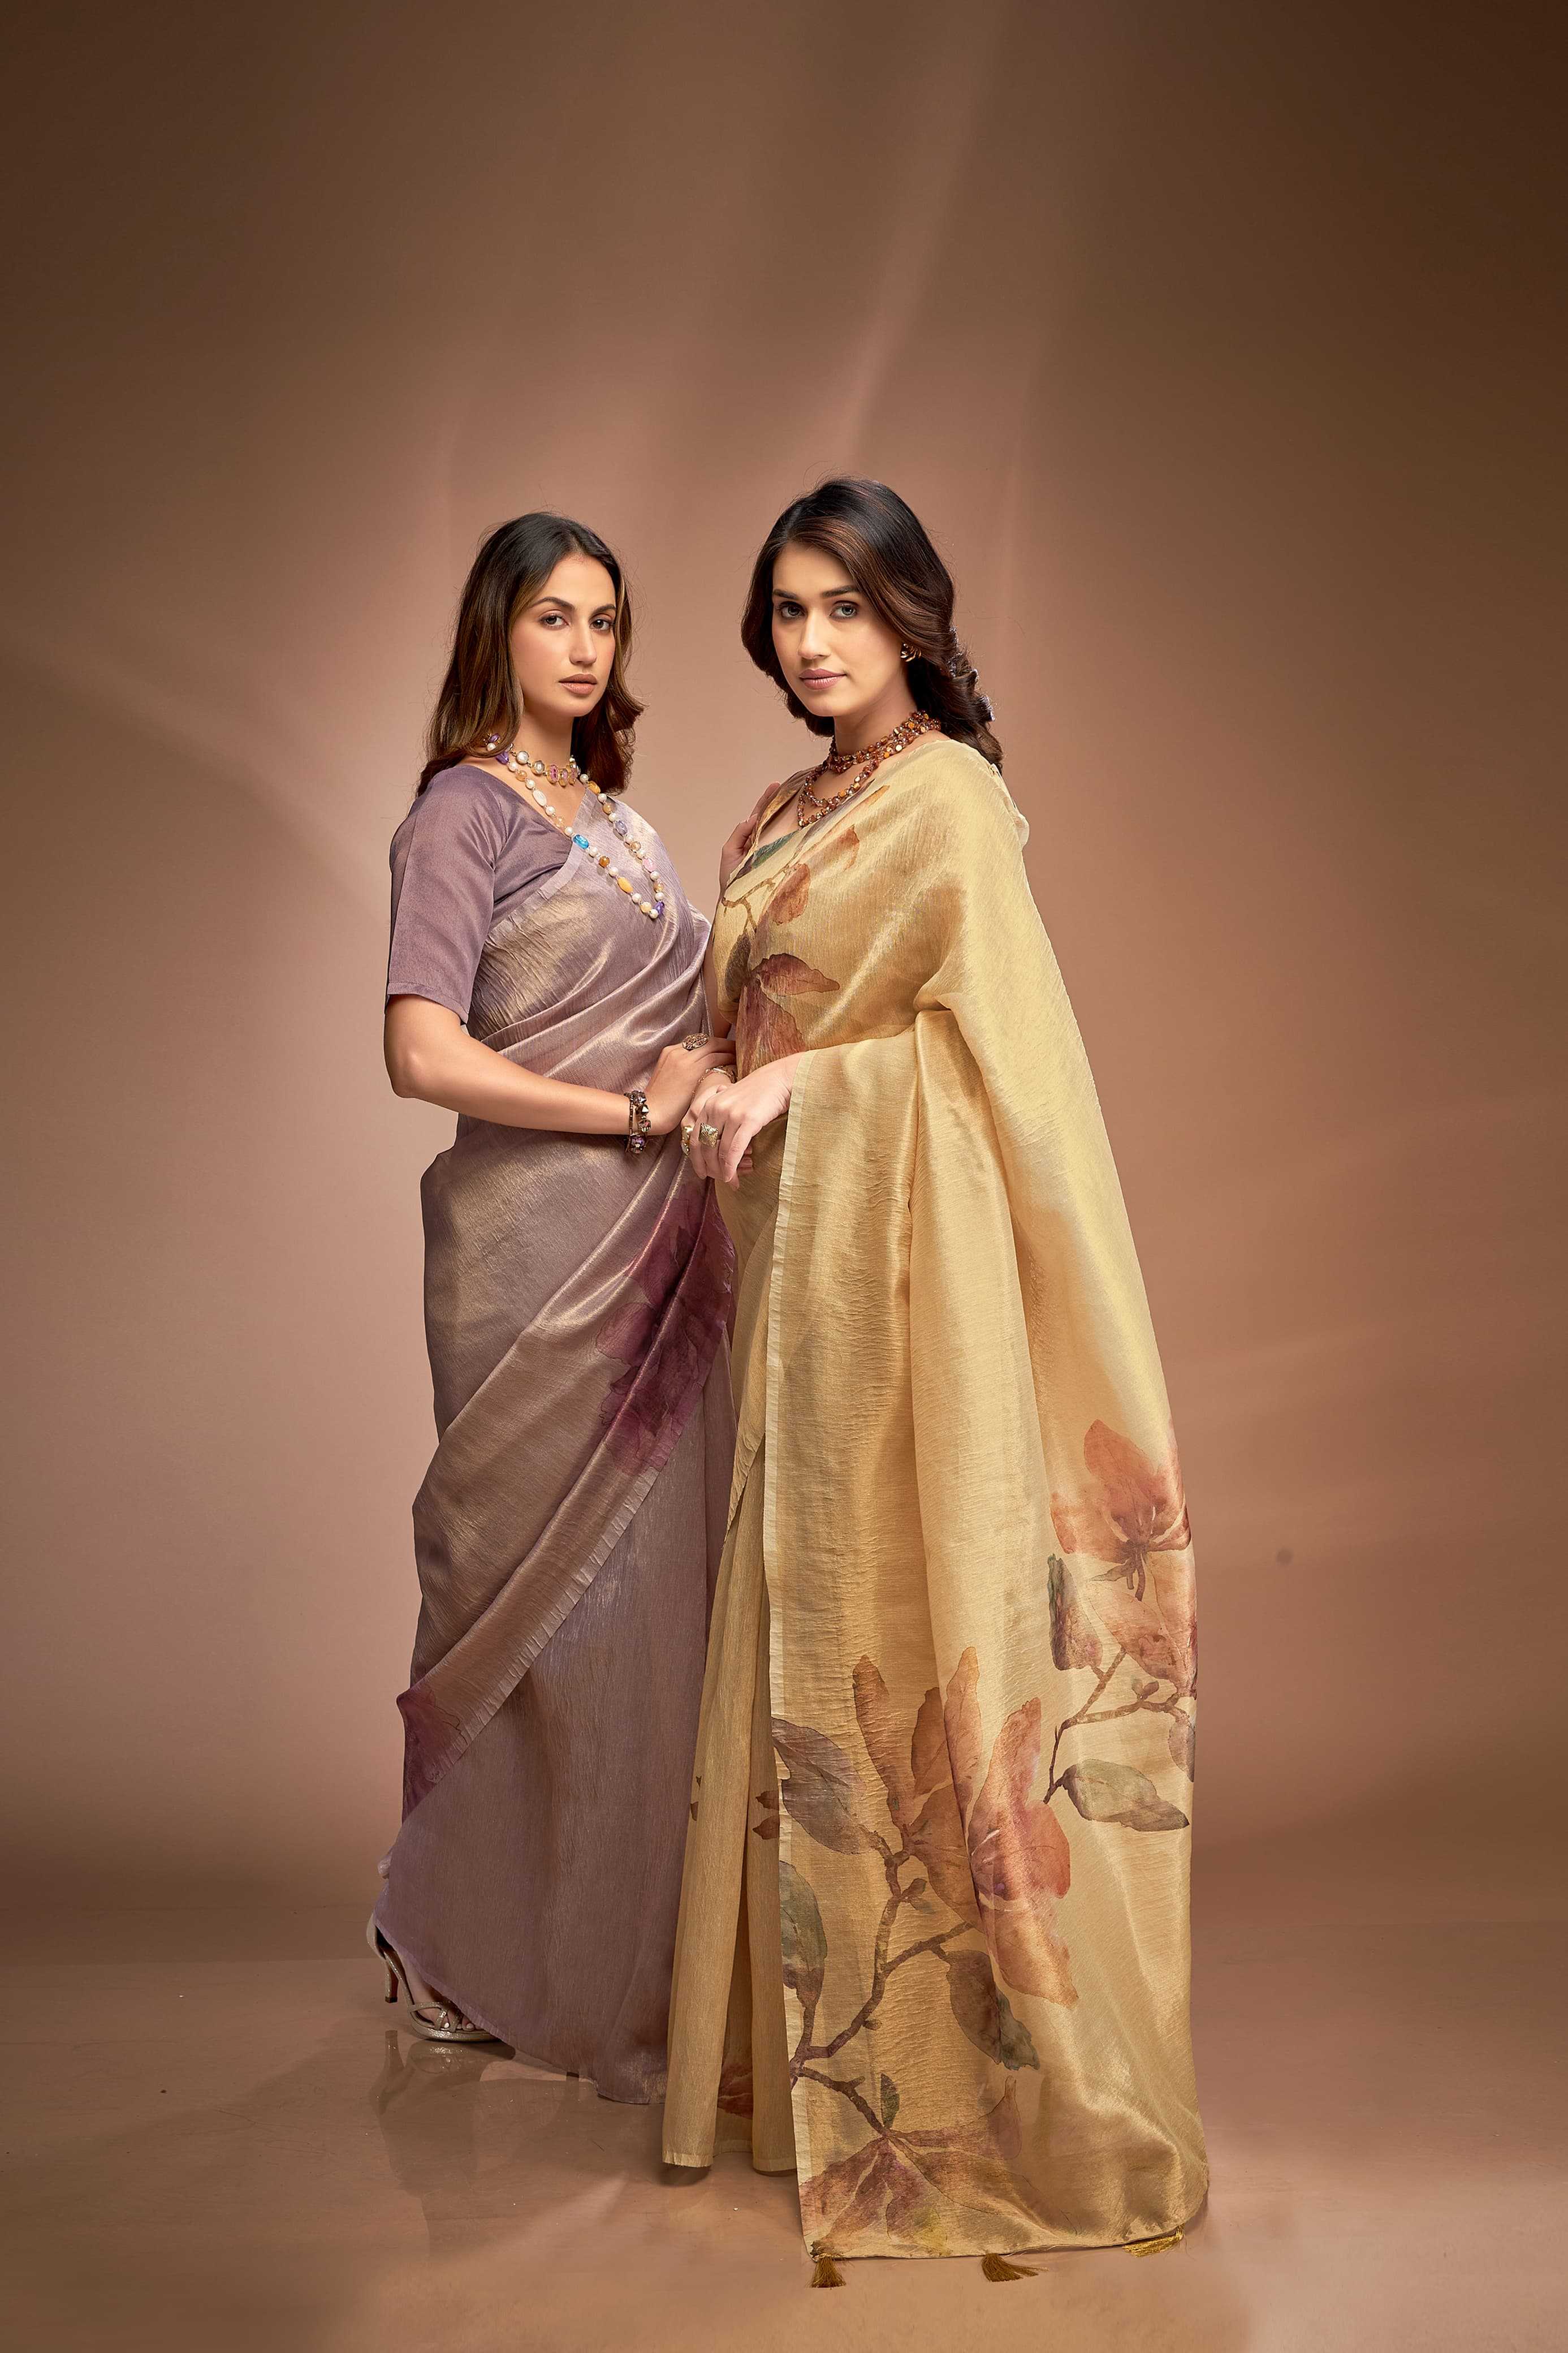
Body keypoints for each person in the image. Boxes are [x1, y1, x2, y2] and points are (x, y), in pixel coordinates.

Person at [662, 480, 1208, 2272]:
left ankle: (955, 2087)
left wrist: (811, 1086)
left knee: (916, 1627)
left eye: (846, 606)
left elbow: (1000, 1077)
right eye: (789, 611)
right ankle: (779, 2073)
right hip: (790, 1279)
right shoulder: (779, 812)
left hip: (908, 1290)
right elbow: (744, 1019)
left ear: (912, 616)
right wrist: (703, 1072)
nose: (814, 641)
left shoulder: (953, 804)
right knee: (788, 1615)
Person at [372, 512, 737, 2103]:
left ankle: (616, 1939)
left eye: (605, 620)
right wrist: (633, 1115)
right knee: (522, 1593)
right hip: (535, 1254)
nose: (584, 649)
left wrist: (710, 1073)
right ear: (497, 633)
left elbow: (691, 1018)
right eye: (553, 619)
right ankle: (451, 1939)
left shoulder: (624, 823)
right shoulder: (462, 815)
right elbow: (421, 1053)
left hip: (661, 1251)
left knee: (647, 1599)